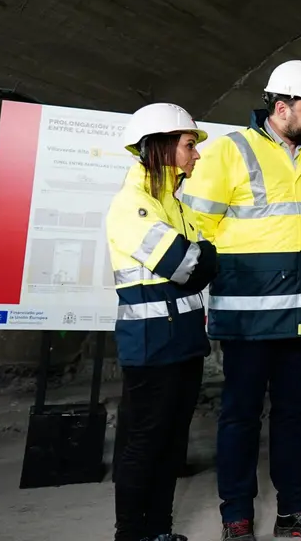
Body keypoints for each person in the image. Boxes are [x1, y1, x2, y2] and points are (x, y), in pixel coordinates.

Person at [180, 60, 301, 541]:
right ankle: (237, 516)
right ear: (281, 107)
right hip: (247, 319)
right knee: (240, 417)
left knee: (296, 416)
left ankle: (294, 510)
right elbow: (195, 229)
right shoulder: (230, 151)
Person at [106, 103, 216, 541]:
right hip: (151, 347)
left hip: (184, 343)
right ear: (162, 149)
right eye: (190, 145)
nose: (196, 155)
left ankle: (161, 531)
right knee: (143, 444)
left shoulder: (172, 204)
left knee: (171, 445)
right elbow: (189, 264)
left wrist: (203, 259)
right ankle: (131, 535)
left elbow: (203, 260)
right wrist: (202, 259)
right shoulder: (131, 205)